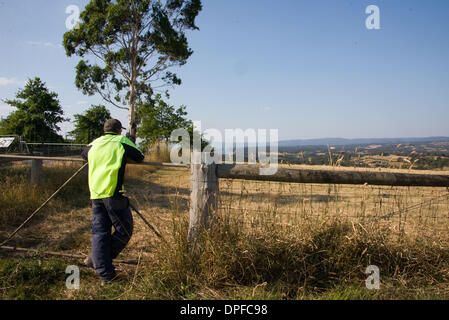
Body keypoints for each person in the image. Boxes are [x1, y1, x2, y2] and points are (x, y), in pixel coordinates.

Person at [81, 119, 144, 284]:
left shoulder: (95, 143)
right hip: (113, 193)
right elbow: (139, 157)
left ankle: (102, 269)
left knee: (99, 233)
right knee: (125, 229)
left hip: (95, 193)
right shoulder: (121, 141)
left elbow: (83, 154)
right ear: (118, 130)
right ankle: (100, 262)